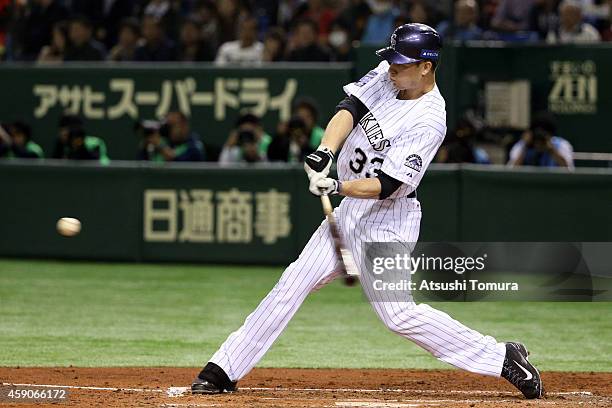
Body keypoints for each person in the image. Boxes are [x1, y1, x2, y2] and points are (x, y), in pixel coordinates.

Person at [190, 24, 544, 401]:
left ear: (426, 66)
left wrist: (336, 186)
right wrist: (326, 150)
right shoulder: (390, 76)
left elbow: (388, 184)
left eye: (402, 63)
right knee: (291, 285)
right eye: (391, 60)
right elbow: (351, 108)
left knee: (398, 316)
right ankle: (223, 369)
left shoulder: (429, 118)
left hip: (387, 221)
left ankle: (503, 357)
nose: (392, 68)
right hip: (349, 212)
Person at [507, 114, 574, 169]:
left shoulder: (561, 145)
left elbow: (568, 170)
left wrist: (552, 151)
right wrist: (525, 147)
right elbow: (512, 171)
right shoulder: (522, 145)